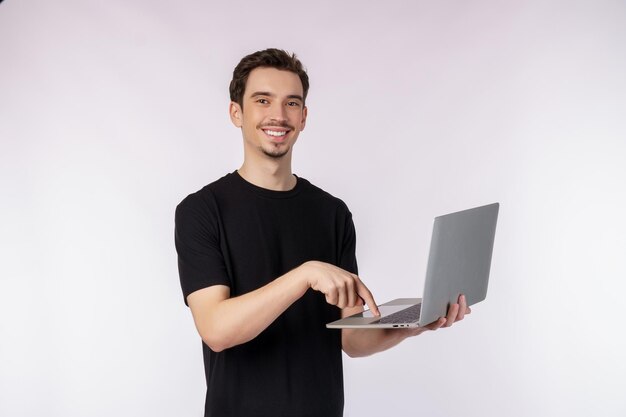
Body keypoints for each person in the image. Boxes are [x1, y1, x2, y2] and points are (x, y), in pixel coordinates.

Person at [174, 48, 470, 417]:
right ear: (237, 112)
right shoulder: (202, 211)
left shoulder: (332, 213)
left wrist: (415, 323)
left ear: (304, 116)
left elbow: (351, 339)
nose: (278, 116)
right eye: (262, 100)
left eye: (291, 103)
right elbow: (216, 329)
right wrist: (305, 274)